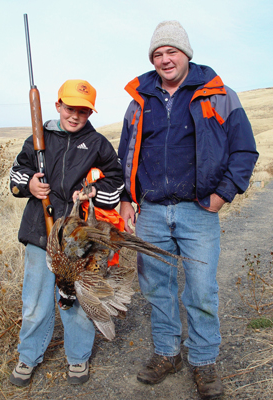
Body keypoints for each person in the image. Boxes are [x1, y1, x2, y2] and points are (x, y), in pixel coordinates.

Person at [118, 21, 258, 399]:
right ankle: (167, 353)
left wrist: (222, 196)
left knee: (199, 290)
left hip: (198, 212)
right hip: (150, 211)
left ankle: (203, 360)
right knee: (157, 289)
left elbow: (245, 150)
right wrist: (128, 200)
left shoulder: (218, 94)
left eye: (171, 52)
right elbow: (126, 156)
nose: (165, 59)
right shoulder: (139, 100)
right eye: (157, 54)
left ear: (186, 54)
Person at [9, 79, 124, 387]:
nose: (75, 116)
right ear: (58, 105)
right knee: (35, 302)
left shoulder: (98, 143)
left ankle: (78, 357)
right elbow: (18, 172)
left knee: (75, 301)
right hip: (39, 234)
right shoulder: (39, 137)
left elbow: (116, 179)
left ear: (90, 113)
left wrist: (93, 191)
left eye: (83, 111)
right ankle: (28, 355)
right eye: (70, 108)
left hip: (77, 239)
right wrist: (29, 185)